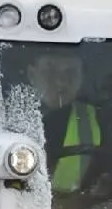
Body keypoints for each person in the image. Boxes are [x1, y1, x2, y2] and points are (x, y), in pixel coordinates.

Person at [25, 49, 106, 194]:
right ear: (32, 75)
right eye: (50, 71)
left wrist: (109, 180)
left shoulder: (100, 119)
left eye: (71, 73)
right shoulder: (6, 118)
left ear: (82, 78)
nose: (61, 81)